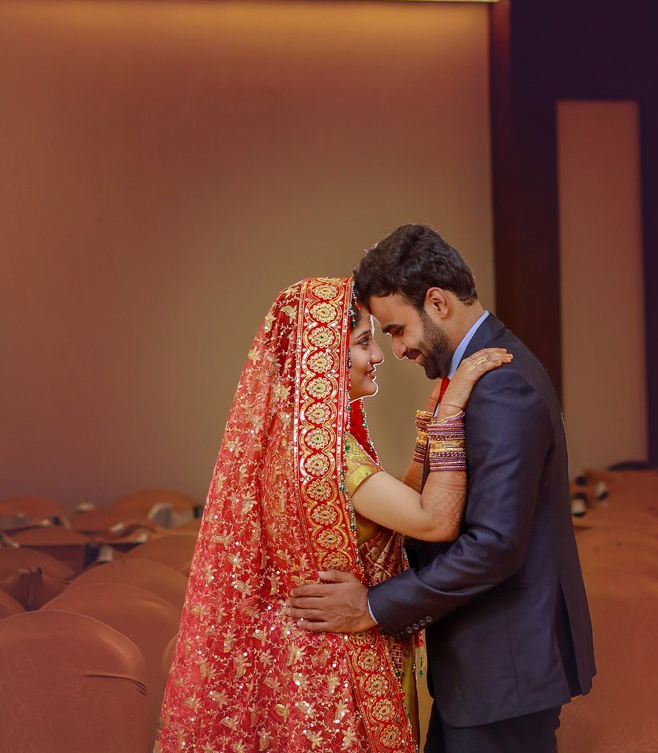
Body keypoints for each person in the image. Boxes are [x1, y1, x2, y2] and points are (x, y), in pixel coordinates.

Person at [156, 275, 509, 753]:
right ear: (321, 358)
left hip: (299, 660)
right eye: (365, 343)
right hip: (339, 669)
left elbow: (398, 512)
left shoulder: (285, 445)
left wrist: (427, 425)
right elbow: (434, 521)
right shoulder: (326, 455)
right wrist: (452, 412)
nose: (379, 356)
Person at [288, 225, 596, 753]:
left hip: (504, 670)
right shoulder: (481, 375)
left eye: (397, 330)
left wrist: (373, 607)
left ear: (438, 302)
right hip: (485, 670)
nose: (398, 348)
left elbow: (494, 544)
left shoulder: (499, 383)